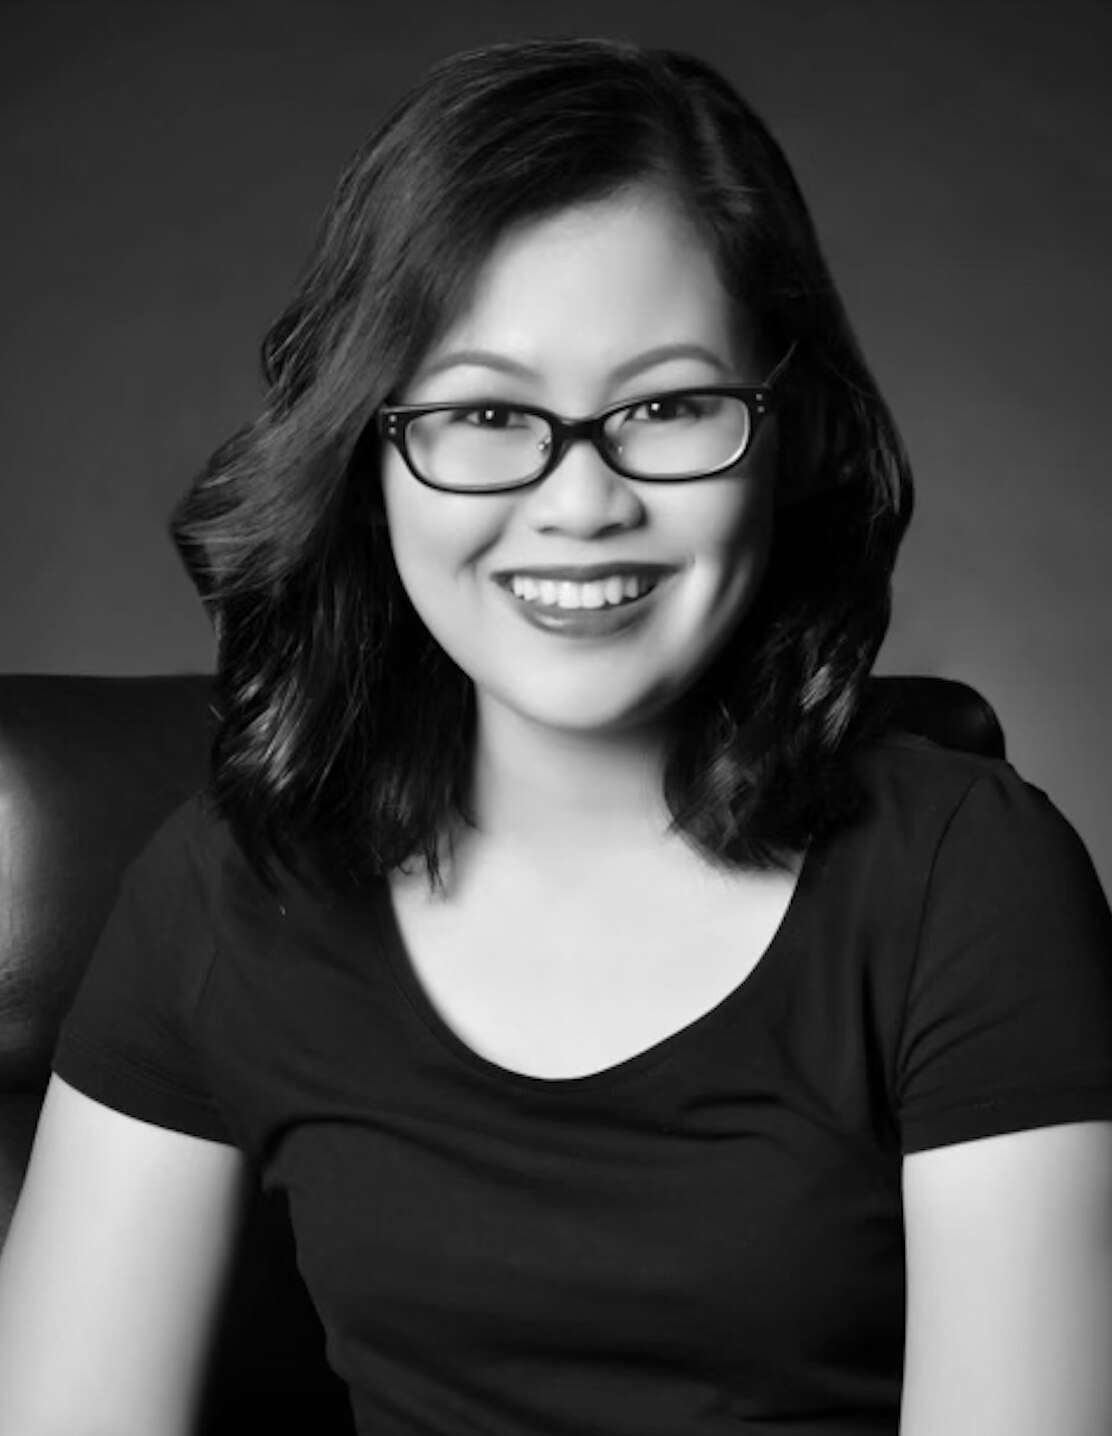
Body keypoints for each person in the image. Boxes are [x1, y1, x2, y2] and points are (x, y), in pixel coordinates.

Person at [1, 35, 1110, 1436]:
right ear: (369, 448)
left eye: (667, 405)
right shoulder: (226, 892)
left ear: (789, 434)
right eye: (482, 413)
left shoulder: (968, 880)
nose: (579, 504)